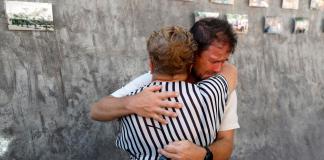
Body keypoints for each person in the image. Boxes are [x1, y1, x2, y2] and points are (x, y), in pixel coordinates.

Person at [91, 18, 239, 160]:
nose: (219, 69)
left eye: (224, 61)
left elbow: (226, 143)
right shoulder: (149, 84)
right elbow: (97, 110)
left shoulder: (219, 88)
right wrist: (131, 103)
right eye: (213, 61)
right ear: (192, 55)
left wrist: (203, 155)